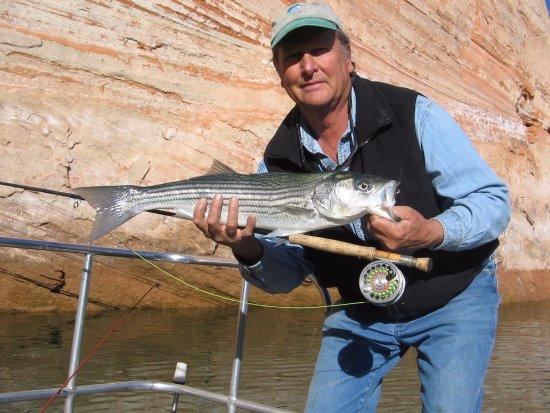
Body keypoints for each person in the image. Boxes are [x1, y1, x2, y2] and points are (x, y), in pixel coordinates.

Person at [193, 2, 511, 412]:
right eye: (293, 57)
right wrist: (247, 248)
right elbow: (286, 274)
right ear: (279, 72)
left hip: (456, 293)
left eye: (320, 50)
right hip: (360, 308)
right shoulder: (275, 162)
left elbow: (491, 202)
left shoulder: (417, 114)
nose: (308, 66)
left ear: (347, 56)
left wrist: (430, 231)